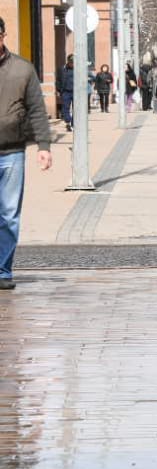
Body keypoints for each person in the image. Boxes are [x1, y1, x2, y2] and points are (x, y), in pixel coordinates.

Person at [0, 16, 53, 289]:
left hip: (12, 152)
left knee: (8, 214)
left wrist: (44, 146)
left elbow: (37, 110)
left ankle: (2, 271)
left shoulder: (22, 69)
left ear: (2, 36)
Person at [59, 54, 75, 132]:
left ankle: (73, 124)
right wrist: (59, 90)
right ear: (68, 61)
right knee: (65, 108)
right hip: (66, 92)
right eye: (71, 62)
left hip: (76, 92)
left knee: (76, 109)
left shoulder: (79, 69)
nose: (72, 64)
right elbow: (58, 80)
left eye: (74, 62)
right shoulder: (62, 69)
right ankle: (68, 121)